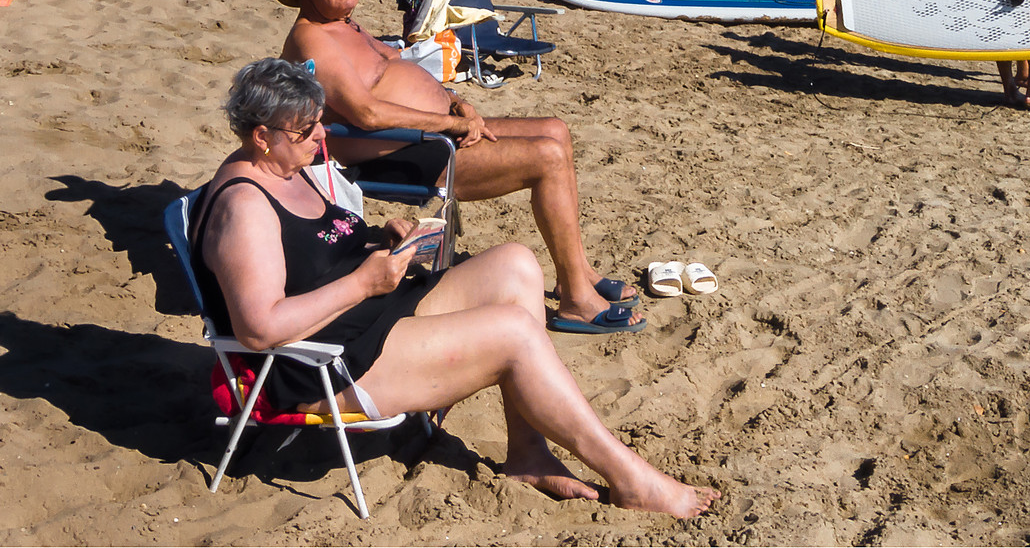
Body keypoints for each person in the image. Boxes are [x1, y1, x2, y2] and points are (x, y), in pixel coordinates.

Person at [194, 59, 718, 515]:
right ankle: (632, 480)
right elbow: (260, 329)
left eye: (318, 123)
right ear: (260, 135)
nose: (320, 137)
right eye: (306, 130)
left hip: (368, 315)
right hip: (322, 364)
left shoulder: (286, 167)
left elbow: (314, 250)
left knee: (515, 265)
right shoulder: (245, 207)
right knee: (514, 332)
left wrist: (382, 238)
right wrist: (361, 281)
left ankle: (527, 453)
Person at [278, 0, 640, 332]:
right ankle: (575, 299)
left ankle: (580, 272)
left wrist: (454, 99)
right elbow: (365, 113)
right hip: (399, 152)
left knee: (556, 131)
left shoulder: (345, 26)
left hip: (428, 136)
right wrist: (453, 123)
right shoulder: (311, 37)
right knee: (547, 157)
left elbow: (401, 68)